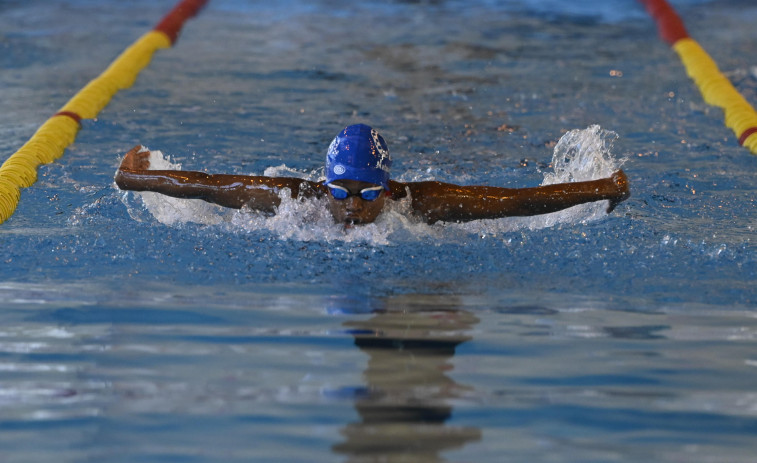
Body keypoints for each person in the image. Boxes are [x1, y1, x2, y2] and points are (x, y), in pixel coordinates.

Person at [115, 123, 630, 226]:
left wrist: (603, 188)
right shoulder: (295, 200)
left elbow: (514, 200)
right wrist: (134, 177)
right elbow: (209, 184)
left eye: (367, 193)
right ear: (325, 184)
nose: (353, 205)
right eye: (340, 190)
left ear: (388, 187)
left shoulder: (425, 203)